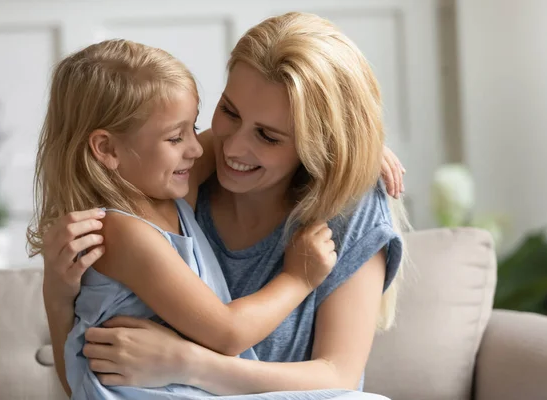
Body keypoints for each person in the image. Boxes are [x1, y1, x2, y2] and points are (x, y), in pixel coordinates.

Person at [38, 11, 409, 399]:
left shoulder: (349, 207)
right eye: (229, 112)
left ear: (317, 143)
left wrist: (188, 364)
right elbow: (80, 380)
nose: (227, 148)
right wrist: (57, 292)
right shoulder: (173, 183)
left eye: (267, 135)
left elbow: (339, 378)